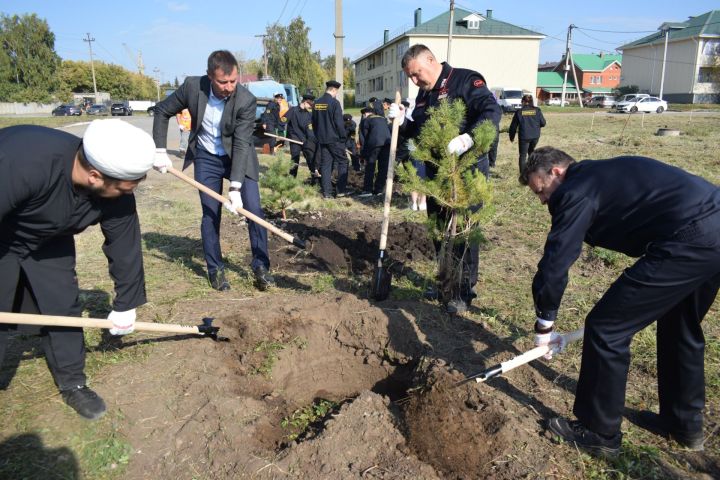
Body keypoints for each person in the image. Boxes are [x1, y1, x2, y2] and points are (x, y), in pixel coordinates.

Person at [520, 146, 720, 457]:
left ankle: (599, 432)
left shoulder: (576, 191)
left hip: (688, 237)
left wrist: (544, 324)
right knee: (680, 323)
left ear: (557, 172)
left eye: (541, 191)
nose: (543, 200)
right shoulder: (598, 174)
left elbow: (557, 260)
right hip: (713, 225)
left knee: (606, 327)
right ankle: (682, 423)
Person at [0, 119, 156, 420]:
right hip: (2, 236)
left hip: (50, 239)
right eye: (124, 190)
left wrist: (127, 304)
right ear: (95, 176)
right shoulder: (23, 160)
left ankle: (73, 382)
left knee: (63, 307)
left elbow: (125, 244)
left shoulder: (116, 188)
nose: (127, 194)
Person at [389, 44, 501, 314]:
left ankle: (463, 290)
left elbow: (491, 112)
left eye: (417, 74)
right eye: (411, 77)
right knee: (439, 229)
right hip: (437, 171)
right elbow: (420, 132)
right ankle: (445, 282)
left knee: (463, 231)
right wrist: (404, 122)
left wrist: (468, 138)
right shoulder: (425, 94)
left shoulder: (465, 80)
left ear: (431, 60)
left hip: (467, 169)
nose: (415, 81)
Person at [152, 49, 275, 292]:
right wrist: (159, 150)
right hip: (207, 157)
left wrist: (236, 186)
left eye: (233, 81)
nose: (229, 87)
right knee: (210, 213)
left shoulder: (245, 100)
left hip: (237, 157)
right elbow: (161, 110)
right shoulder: (191, 87)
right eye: (223, 82)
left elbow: (241, 143)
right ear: (210, 76)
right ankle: (215, 268)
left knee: (254, 210)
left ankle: (261, 265)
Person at [312, 80, 348, 199]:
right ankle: (340, 191)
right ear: (334, 90)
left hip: (322, 139)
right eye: (336, 92)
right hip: (334, 139)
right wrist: (343, 137)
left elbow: (314, 122)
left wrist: (318, 136)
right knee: (343, 161)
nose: (336, 94)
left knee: (325, 165)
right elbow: (339, 123)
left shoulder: (316, 103)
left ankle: (327, 193)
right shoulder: (334, 103)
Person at [357, 106, 390, 197]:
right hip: (387, 144)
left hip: (374, 144)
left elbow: (363, 138)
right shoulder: (383, 119)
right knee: (383, 167)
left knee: (370, 166)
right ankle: (379, 189)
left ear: (365, 114)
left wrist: (363, 154)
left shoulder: (366, 120)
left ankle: (368, 190)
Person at [508, 94, 546, 174]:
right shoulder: (537, 110)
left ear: (524, 102)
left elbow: (513, 127)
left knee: (523, 155)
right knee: (531, 153)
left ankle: (523, 176)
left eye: (521, 101)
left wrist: (512, 136)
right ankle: (533, 172)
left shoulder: (519, 112)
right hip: (535, 136)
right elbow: (543, 123)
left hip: (524, 137)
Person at [285, 94, 319, 179]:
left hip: (305, 139)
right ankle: (292, 178)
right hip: (294, 138)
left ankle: (314, 177)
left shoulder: (309, 114)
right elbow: (284, 119)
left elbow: (309, 128)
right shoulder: (293, 110)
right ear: (304, 102)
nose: (310, 107)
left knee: (310, 158)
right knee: (295, 159)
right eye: (309, 105)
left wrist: (312, 140)